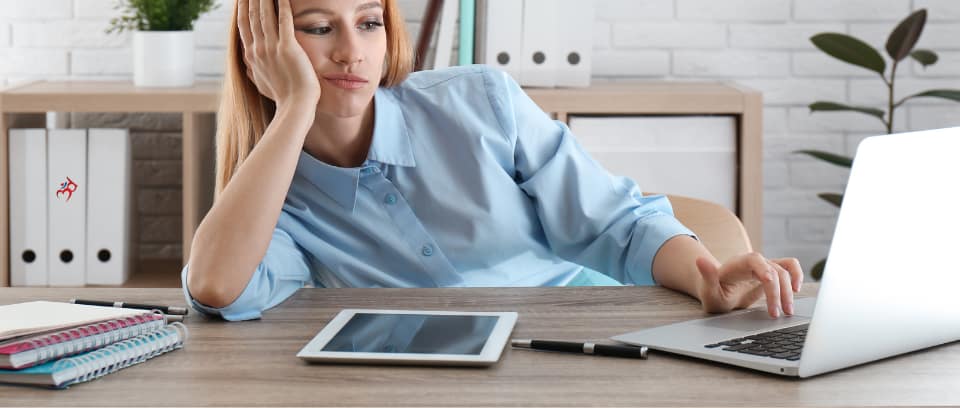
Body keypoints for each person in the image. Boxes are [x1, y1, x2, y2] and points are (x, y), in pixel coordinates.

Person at [182, 0, 803, 321]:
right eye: (318, 28)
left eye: (369, 23)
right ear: (261, 49)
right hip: (422, 380)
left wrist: (705, 279)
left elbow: (618, 222)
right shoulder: (275, 195)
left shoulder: (480, 101)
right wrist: (295, 105)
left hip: (580, 341)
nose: (352, 52)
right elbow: (217, 289)